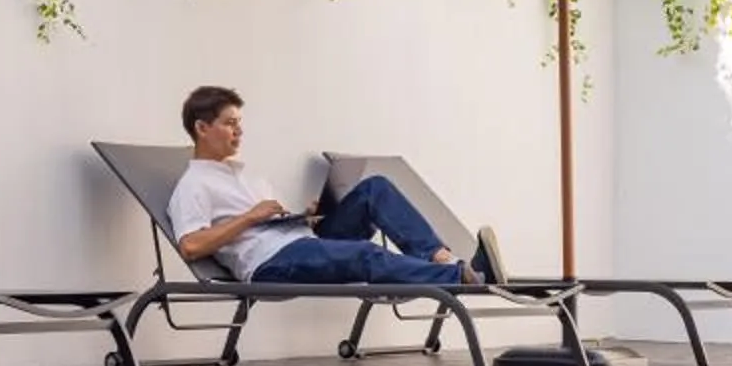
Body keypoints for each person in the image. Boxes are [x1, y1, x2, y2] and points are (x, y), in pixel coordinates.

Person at [166, 85, 510, 287]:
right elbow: (191, 247)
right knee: (365, 255)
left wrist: (304, 219)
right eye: (229, 124)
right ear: (201, 128)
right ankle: (462, 277)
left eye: (239, 123)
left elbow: (270, 223)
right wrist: (249, 218)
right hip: (270, 262)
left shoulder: (247, 175)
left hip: (301, 241)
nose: (238, 131)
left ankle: (446, 259)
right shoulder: (193, 185)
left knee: (375, 188)